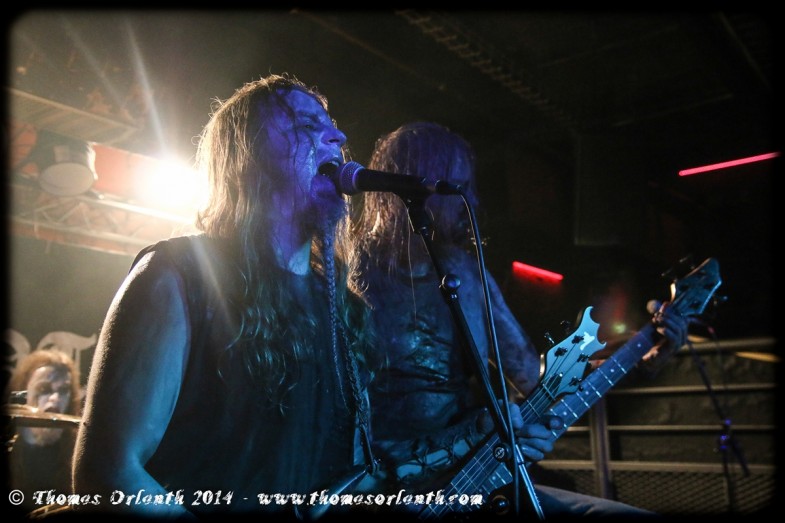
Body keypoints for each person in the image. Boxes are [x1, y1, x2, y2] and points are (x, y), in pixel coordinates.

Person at [72, 73, 379, 519]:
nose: (337, 137)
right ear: (247, 154)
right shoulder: (178, 275)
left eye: (331, 126)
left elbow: (350, 474)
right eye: (306, 124)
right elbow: (109, 473)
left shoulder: (345, 310)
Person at [353, 121, 690, 518]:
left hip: (476, 474)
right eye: (458, 185)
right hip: (385, 487)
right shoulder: (348, 276)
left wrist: (642, 357)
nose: (470, 199)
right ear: (419, 185)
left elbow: (534, 378)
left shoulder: (466, 273)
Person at [4, 348, 82, 514]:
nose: (55, 399)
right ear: (23, 392)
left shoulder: (81, 451)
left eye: (63, 390)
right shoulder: (9, 446)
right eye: (44, 389)